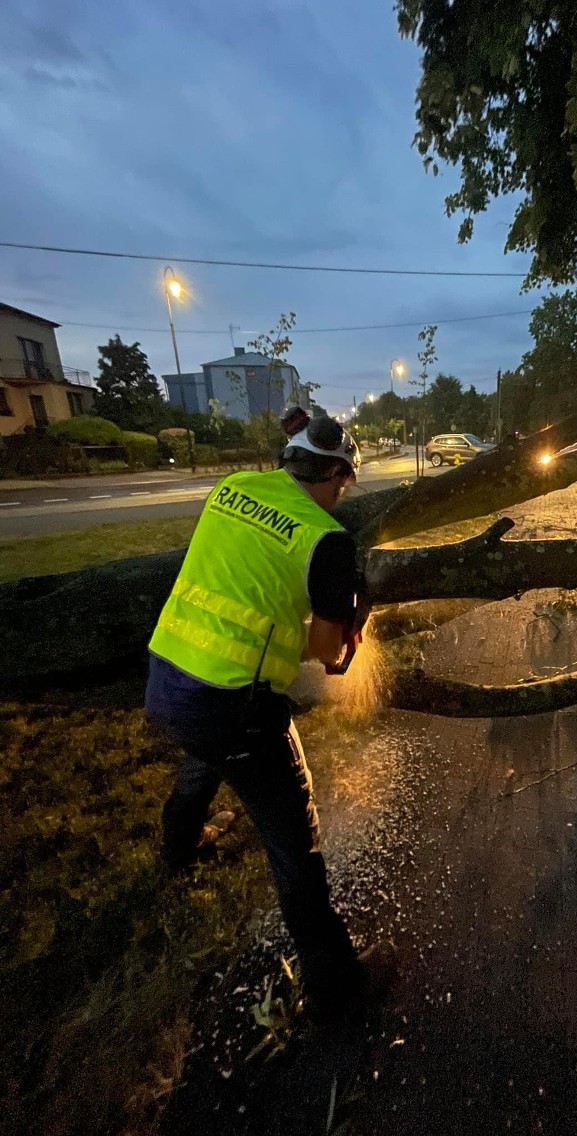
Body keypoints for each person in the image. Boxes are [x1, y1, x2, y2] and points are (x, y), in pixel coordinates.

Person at [145, 411, 368, 1021]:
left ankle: (176, 848)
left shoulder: (232, 488)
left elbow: (243, 593)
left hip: (167, 679)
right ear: (330, 472)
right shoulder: (326, 540)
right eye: (342, 482)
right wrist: (348, 619)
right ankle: (337, 990)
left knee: (207, 750)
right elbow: (325, 653)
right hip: (235, 709)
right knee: (297, 845)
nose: (341, 495)